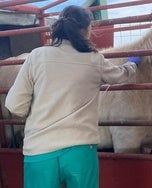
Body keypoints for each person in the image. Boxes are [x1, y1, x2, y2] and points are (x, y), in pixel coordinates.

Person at [5, 5, 140, 188]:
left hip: (40, 152)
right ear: (86, 29)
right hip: (80, 151)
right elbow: (121, 75)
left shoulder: (36, 56)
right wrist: (133, 65)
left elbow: (15, 106)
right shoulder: (94, 59)